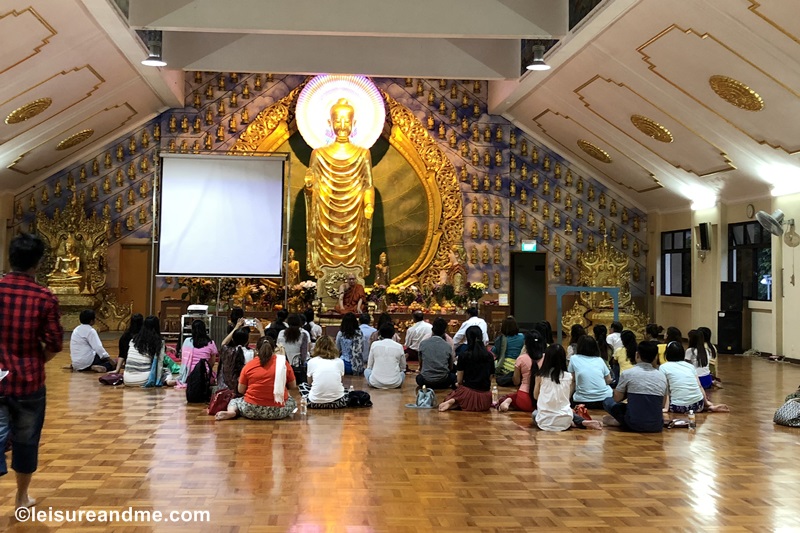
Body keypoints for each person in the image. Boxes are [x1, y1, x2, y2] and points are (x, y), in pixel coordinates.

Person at [0, 233, 64, 510]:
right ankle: (21, 498)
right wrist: (36, 361)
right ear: (38, 264)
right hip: (29, 381)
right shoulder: (44, 297)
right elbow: (54, 343)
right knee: (27, 441)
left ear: (9, 259)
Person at [304, 98, 375, 278]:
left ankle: (352, 282)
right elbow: (311, 185)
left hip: (354, 215)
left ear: (354, 123)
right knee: (326, 249)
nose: (342, 125)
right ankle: (325, 277)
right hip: (326, 216)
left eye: (347, 121)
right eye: (337, 120)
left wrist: (368, 204)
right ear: (330, 123)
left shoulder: (363, 153)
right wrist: (310, 184)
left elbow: (368, 185)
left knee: (354, 246)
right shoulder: (318, 154)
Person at [215, 344, 297, 421]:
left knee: (234, 401)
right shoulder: (283, 363)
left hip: (251, 409)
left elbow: (241, 390)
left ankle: (232, 412)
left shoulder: (249, 365)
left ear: (256, 350)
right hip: (279, 411)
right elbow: (293, 386)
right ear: (274, 350)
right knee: (292, 401)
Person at [533, 345, 603, 431]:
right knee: (565, 410)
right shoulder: (569, 377)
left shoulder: (540, 376)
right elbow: (567, 397)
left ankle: (577, 422)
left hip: (544, 422)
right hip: (565, 419)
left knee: (535, 413)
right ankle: (581, 422)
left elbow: (536, 396)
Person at [602, 341, 667, 432]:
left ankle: (620, 422)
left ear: (637, 355)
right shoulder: (662, 376)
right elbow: (662, 404)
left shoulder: (628, 373)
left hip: (633, 424)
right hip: (656, 425)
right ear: (656, 357)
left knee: (607, 401)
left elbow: (617, 398)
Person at [660, 342, 729, 413]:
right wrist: (707, 403)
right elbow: (699, 386)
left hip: (678, 407)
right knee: (693, 403)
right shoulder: (690, 366)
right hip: (698, 405)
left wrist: (665, 408)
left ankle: (705, 408)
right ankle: (709, 408)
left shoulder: (663, 367)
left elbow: (666, 390)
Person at [438, 326, 494, 412]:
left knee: (456, 392)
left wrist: (458, 384)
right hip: (485, 399)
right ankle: (456, 401)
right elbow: (490, 378)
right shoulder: (489, 356)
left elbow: (459, 380)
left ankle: (455, 400)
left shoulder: (464, 355)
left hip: (469, 394)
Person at [497, 330, 546, 413]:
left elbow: (516, 382)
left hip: (524, 398)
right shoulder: (547, 358)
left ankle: (508, 401)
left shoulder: (521, 359)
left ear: (526, 344)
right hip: (542, 400)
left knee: (510, 397)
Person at [123, 315, 175, 387]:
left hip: (126, 379)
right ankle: (167, 380)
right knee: (166, 370)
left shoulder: (134, 340)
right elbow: (160, 363)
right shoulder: (158, 342)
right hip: (144, 380)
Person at [568, 335, 613, 409]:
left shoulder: (574, 359)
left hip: (582, 400)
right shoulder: (599, 360)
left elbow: (572, 381)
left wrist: (567, 399)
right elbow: (608, 380)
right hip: (603, 399)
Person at [306, 336, 348, 409]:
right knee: (345, 390)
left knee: (303, 386)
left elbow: (310, 383)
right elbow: (341, 381)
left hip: (315, 402)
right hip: (338, 402)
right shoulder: (339, 361)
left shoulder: (311, 361)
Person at [416, 318, 456, 390]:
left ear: (432, 329)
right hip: (443, 381)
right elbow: (451, 367)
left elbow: (421, 364)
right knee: (453, 376)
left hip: (425, 381)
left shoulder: (423, 343)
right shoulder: (448, 345)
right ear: (445, 331)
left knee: (418, 378)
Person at [176, 319, 218, 388]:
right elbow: (212, 362)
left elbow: (183, 358)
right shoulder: (211, 343)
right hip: (204, 374)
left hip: (189, 374)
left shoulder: (187, 341)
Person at [217, 322, 257, 391]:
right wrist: (261, 331)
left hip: (227, 389)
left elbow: (223, 343)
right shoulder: (252, 353)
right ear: (247, 340)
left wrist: (236, 327)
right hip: (245, 389)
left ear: (232, 339)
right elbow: (263, 347)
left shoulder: (228, 351)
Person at [365, 323, 406, 389]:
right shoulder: (399, 346)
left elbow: (369, 366)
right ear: (393, 334)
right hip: (395, 383)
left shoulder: (374, 344)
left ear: (380, 333)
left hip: (375, 382)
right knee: (402, 373)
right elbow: (403, 367)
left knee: (366, 371)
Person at [491, 316, 525, 386]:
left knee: (492, 364)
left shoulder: (501, 339)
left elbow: (495, 352)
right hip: (519, 365)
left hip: (505, 365)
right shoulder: (522, 336)